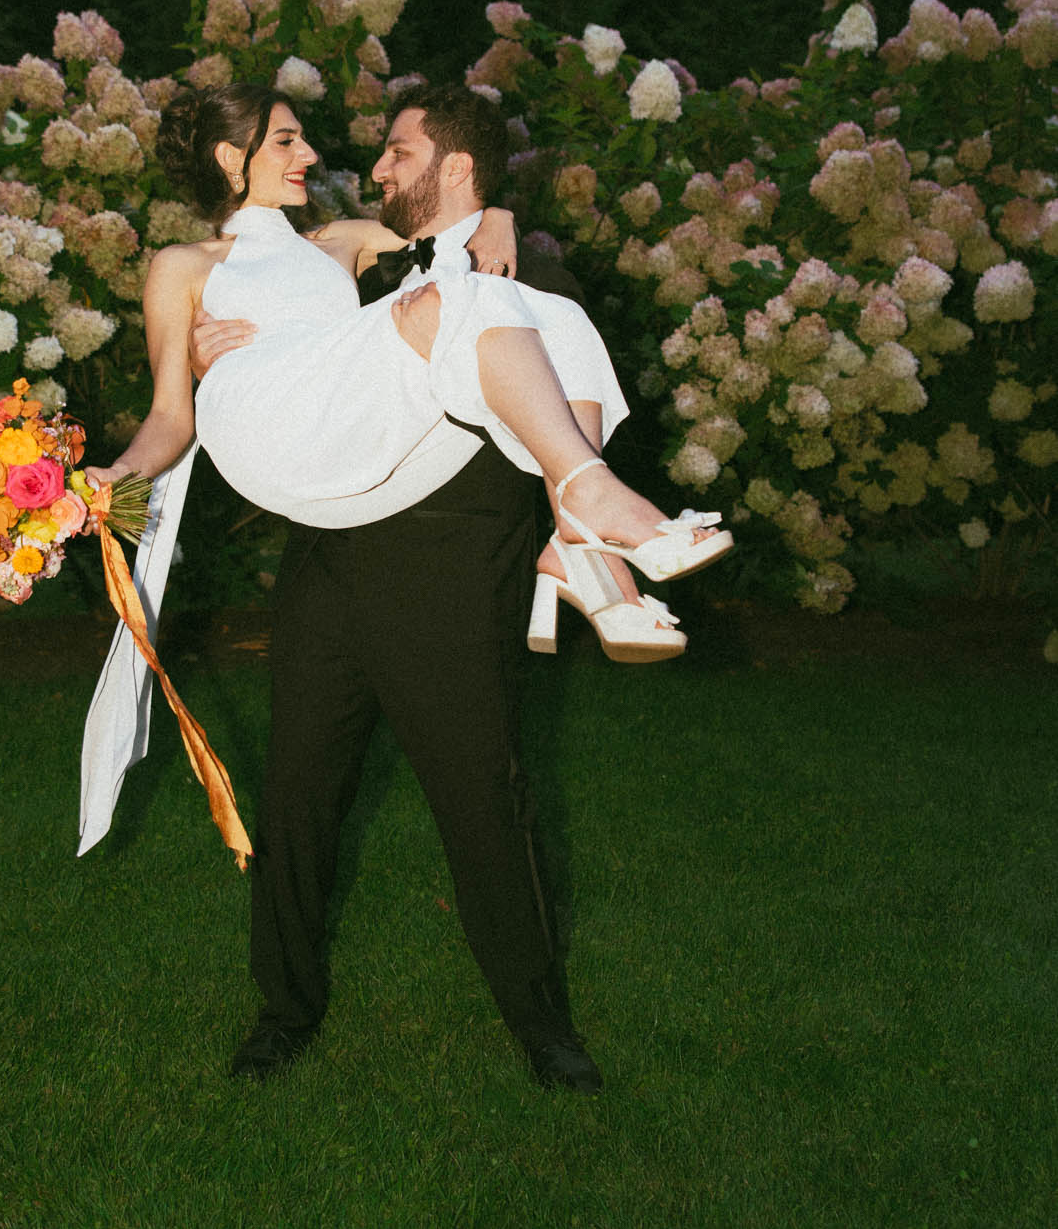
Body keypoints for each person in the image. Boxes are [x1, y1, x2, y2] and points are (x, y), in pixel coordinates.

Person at [91, 82, 730, 1089]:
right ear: (230, 158)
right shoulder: (192, 266)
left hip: (444, 561)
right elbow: (172, 416)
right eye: (289, 139)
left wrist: (503, 209)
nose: (326, 157)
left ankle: (541, 1025)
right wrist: (88, 487)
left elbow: (454, 241)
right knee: (298, 793)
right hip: (325, 544)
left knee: (484, 797)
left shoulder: (346, 245)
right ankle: (282, 1010)